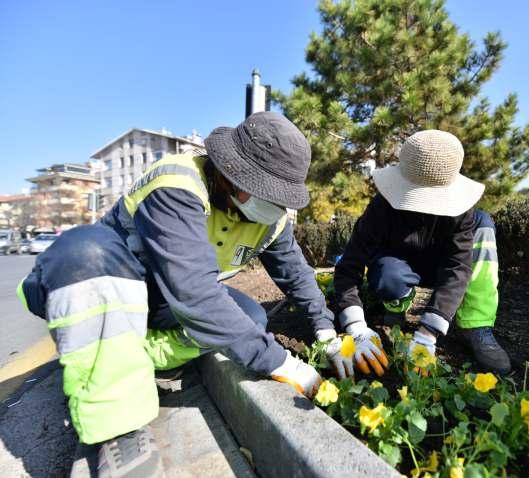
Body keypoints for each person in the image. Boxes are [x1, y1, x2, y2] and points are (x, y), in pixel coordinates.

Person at [16, 112, 339, 478]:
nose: (271, 204)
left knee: (250, 320)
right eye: (263, 189)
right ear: (229, 173)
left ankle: (124, 356)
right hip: (100, 286)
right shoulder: (178, 184)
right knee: (84, 251)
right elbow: (196, 295)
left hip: (161, 305)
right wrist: (282, 363)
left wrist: (327, 332)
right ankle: (118, 430)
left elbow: (296, 273)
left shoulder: (270, 219)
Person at [331, 129, 511, 379]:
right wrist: (356, 327)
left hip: (442, 263)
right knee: (386, 276)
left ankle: (476, 325)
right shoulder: (382, 207)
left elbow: (458, 267)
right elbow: (349, 266)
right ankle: (396, 306)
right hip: (402, 264)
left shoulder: (462, 212)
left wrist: (428, 333)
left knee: (484, 226)